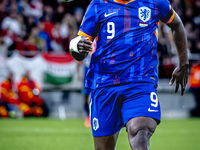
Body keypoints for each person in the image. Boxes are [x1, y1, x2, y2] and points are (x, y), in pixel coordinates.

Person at [69, 0, 189, 149]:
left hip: (140, 83)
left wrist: (183, 63)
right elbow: (80, 51)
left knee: (140, 131)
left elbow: (177, 25)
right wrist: (76, 46)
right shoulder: (98, 4)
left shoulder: (155, 2)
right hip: (104, 84)